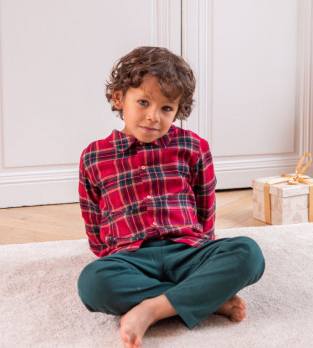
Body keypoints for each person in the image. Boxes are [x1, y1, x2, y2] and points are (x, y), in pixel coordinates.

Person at [77, 46, 265, 348]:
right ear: (118, 98)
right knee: (92, 283)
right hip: (130, 258)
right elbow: (93, 218)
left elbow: (205, 206)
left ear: (178, 111)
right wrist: (109, 255)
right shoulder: (94, 156)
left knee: (248, 254)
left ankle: (153, 308)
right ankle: (207, 298)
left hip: (187, 251)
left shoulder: (193, 147)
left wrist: (202, 249)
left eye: (166, 108)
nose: (153, 117)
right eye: (143, 102)